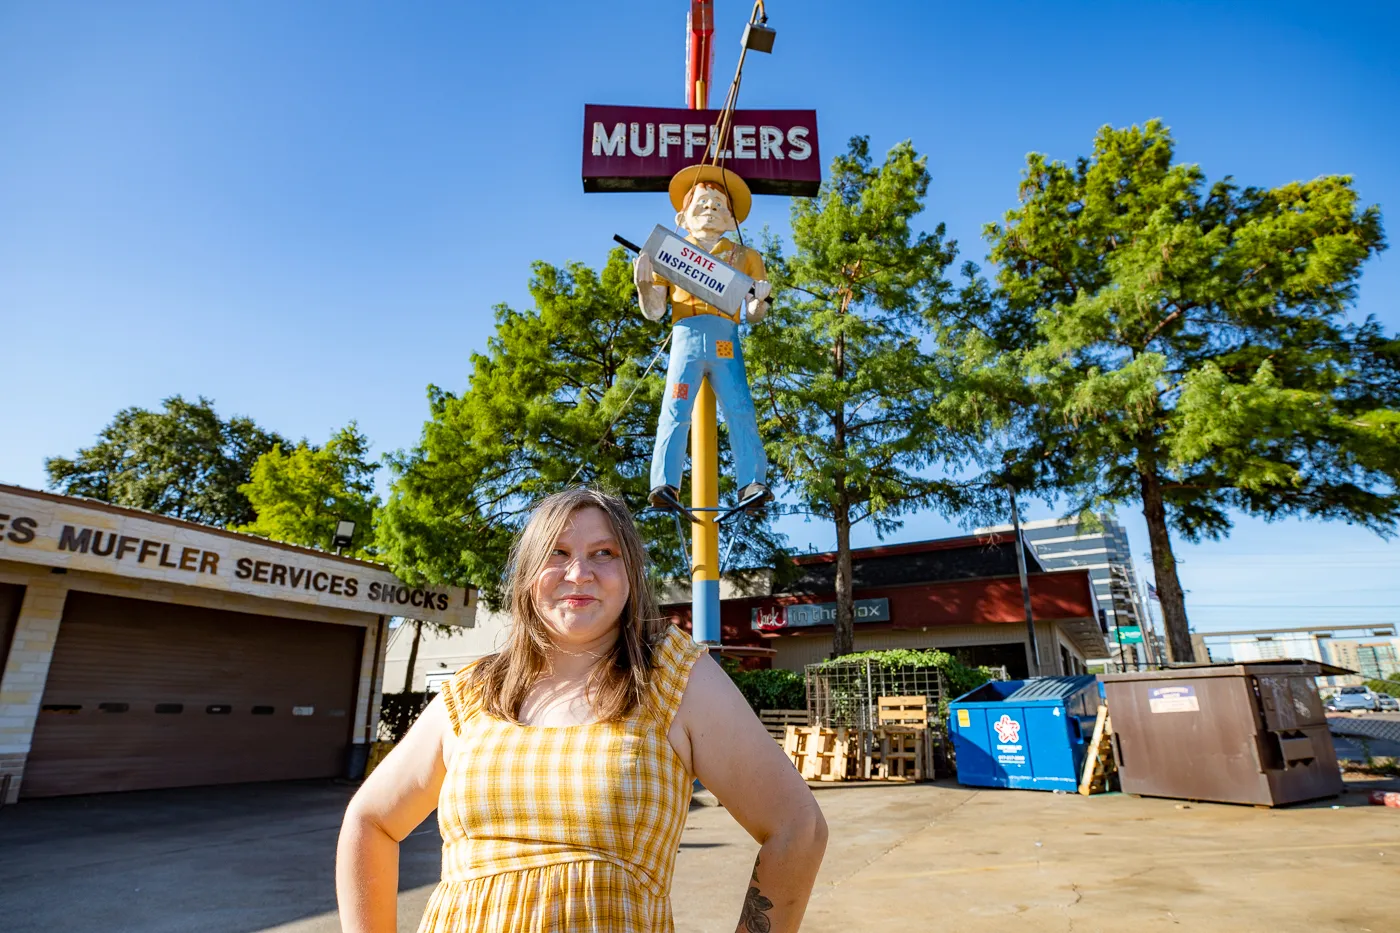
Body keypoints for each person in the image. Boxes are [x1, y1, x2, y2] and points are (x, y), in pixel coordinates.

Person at [337, 487, 827, 932]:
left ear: (630, 573)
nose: (579, 573)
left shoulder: (677, 677)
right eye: (558, 552)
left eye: (604, 554)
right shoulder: (473, 693)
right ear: (528, 572)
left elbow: (797, 829)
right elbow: (371, 820)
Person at [634, 165, 774, 513]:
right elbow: (654, 310)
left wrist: (760, 301)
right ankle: (664, 483)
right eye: (701, 202)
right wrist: (644, 286)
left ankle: (751, 482)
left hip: (726, 339)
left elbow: (756, 312)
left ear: (731, 218)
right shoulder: (671, 252)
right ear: (682, 215)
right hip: (685, 339)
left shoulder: (747, 256)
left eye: (718, 204)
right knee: (675, 406)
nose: (709, 208)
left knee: (740, 408)